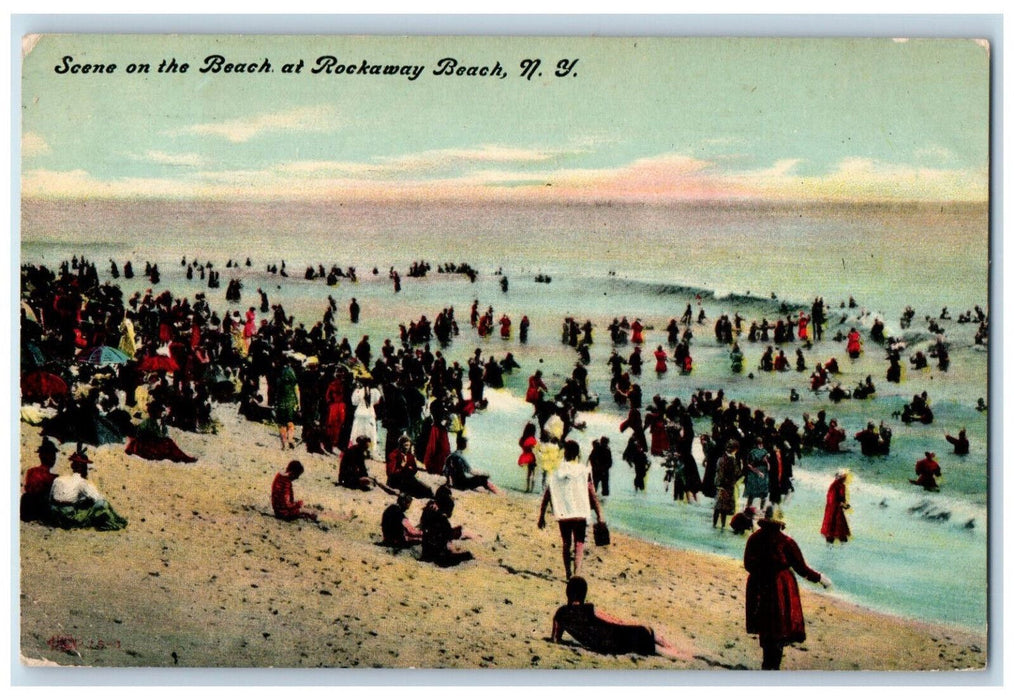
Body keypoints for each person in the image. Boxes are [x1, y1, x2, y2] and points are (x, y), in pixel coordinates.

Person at [744, 506, 831, 670]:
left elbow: (748, 564)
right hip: (780, 589)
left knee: (766, 630)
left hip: (759, 587)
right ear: (781, 524)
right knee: (778, 630)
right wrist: (820, 579)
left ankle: (767, 667)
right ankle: (772, 669)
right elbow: (801, 569)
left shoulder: (754, 538)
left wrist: (761, 573)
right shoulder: (786, 542)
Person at [551, 576, 688, 659]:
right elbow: (615, 622)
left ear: (568, 592)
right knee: (646, 634)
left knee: (650, 640)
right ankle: (683, 655)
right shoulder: (589, 608)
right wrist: (636, 625)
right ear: (583, 594)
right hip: (615, 641)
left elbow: (556, 639)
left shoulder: (560, 614)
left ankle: (677, 652)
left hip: (604, 645)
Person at [538, 440, 605, 579]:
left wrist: (542, 515)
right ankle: (577, 574)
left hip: (564, 513)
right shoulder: (584, 470)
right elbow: (593, 494)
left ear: (565, 453)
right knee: (579, 544)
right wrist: (600, 515)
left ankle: (568, 574)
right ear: (578, 453)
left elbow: (548, 493)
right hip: (580, 513)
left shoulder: (557, 470)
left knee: (566, 543)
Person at [49, 446, 128, 531]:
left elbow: (51, 499)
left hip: (56, 516)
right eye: (85, 466)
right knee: (103, 504)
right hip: (70, 518)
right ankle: (117, 521)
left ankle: (118, 520)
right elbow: (99, 499)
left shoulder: (58, 480)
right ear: (83, 467)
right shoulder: (82, 482)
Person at [419, 485, 473, 567]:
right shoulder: (443, 521)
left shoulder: (428, 509)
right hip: (440, 557)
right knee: (467, 555)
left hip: (426, 554)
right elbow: (448, 544)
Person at [21, 437, 60, 522]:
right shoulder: (53, 478)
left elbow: (27, 490)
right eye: (53, 455)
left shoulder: (30, 471)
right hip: (41, 512)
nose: (55, 458)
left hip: (26, 510)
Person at [713, 439, 740, 530]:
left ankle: (715, 525)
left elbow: (718, 473)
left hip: (721, 485)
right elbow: (737, 473)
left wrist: (718, 484)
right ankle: (722, 526)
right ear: (735, 449)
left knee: (718, 506)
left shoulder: (721, 458)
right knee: (724, 508)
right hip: (727, 486)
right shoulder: (732, 460)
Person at [820, 470, 851, 544]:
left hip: (834, 510)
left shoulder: (837, 485)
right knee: (838, 532)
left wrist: (844, 505)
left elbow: (836, 499)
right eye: (844, 477)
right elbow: (836, 500)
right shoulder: (838, 486)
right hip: (835, 511)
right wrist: (844, 505)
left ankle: (831, 549)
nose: (845, 479)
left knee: (833, 531)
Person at [517, 422, 539, 493]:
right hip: (532, 456)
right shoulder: (531, 439)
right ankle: (531, 489)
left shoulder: (523, 439)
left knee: (529, 473)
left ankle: (527, 487)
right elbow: (534, 448)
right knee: (533, 473)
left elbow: (521, 445)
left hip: (525, 455)